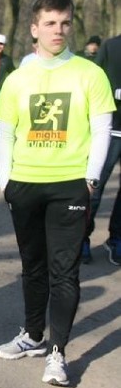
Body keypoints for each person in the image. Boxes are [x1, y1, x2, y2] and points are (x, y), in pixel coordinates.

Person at [0, 0, 114, 386]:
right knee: (33, 268)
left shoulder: (90, 73)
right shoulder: (17, 79)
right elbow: (6, 133)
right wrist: (5, 183)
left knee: (65, 273)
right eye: (49, 23)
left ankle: (58, 354)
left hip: (69, 186)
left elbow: (102, 129)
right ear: (34, 28)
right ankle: (32, 336)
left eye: (64, 23)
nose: (57, 30)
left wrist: (91, 178)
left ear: (71, 25)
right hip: (25, 184)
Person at [84, 32, 121, 265]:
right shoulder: (111, 46)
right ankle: (83, 237)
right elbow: (94, 80)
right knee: (95, 187)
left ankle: (116, 237)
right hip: (112, 130)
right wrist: (114, 91)